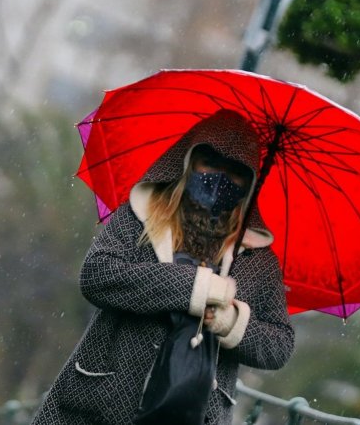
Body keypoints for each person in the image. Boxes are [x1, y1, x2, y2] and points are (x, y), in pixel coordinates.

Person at [32, 110, 294, 425]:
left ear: (250, 181)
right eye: (209, 161)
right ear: (189, 160)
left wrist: (230, 322)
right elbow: (97, 274)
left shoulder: (258, 259)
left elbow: (280, 344)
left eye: (234, 171)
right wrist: (193, 288)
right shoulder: (140, 215)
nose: (220, 176)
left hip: (193, 413)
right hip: (99, 405)